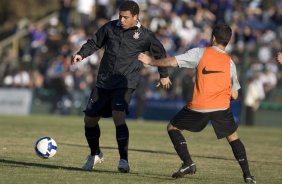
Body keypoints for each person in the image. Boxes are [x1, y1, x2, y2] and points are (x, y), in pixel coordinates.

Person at [138, 24, 256, 183]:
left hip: (200, 105)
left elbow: (173, 62)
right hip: (221, 106)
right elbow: (234, 94)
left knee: (172, 127)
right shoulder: (230, 62)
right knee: (233, 137)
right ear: (227, 41)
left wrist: (151, 61)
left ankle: (188, 162)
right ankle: (247, 175)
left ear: (213, 38)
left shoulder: (200, 53)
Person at [71, 1, 171, 173]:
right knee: (90, 120)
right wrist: (81, 53)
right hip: (104, 82)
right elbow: (94, 43)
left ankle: (123, 160)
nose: (122, 20)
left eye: (126, 17)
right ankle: (95, 154)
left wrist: (164, 75)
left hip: (125, 84)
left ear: (135, 17)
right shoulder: (110, 27)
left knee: (119, 116)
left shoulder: (145, 35)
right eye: (120, 16)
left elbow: (160, 53)